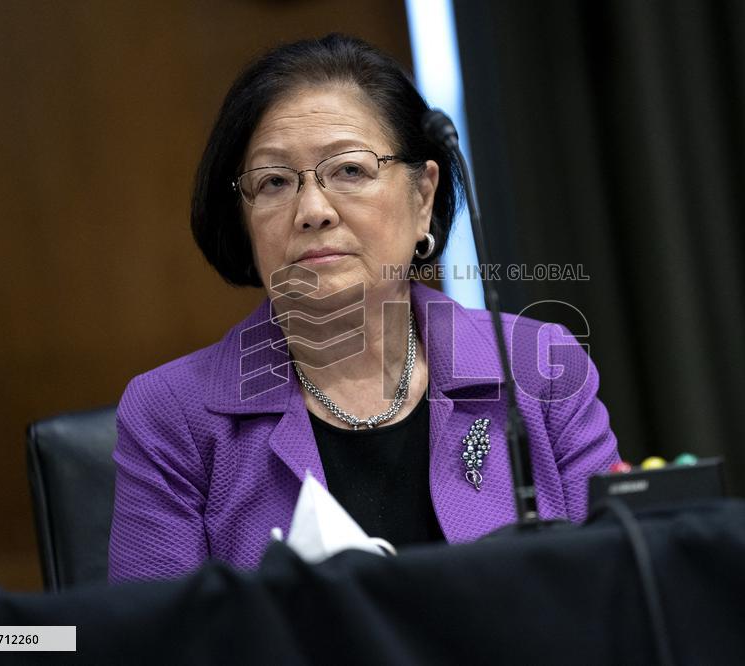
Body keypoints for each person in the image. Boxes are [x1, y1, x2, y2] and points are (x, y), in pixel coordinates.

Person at [109, 33, 618, 583]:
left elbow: (622, 594)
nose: (311, 210)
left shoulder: (540, 366)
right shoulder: (172, 416)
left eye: (350, 170)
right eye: (274, 181)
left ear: (422, 198)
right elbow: (157, 640)